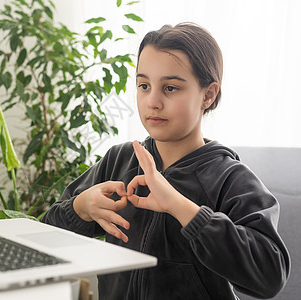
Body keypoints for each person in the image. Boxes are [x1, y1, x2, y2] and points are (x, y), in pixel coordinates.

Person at [42, 22, 290, 299]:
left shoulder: (231, 178)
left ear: (208, 94)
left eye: (170, 88)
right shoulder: (119, 160)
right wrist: (80, 209)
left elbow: (271, 274)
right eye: (144, 85)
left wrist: (180, 207)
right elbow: (45, 237)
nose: (153, 102)